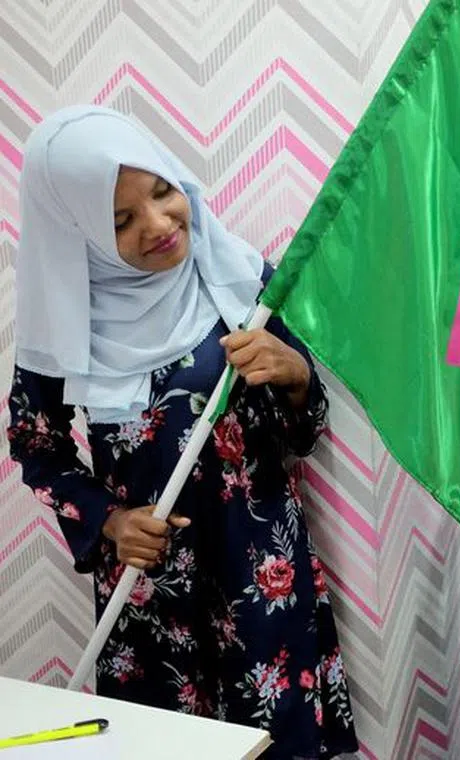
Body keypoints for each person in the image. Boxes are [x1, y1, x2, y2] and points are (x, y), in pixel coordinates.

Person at [9, 105, 358, 759]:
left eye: (164, 191)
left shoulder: (241, 283)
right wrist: (108, 520)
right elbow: (34, 444)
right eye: (120, 220)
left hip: (262, 575)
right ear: (77, 231)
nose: (160, 225)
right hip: (151, 604)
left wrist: (294, 377)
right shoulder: (61, 325)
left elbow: (303, 430)